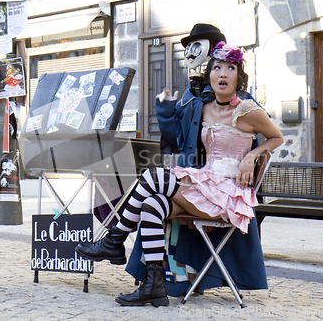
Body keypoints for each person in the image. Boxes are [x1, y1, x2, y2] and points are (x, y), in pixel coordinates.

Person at [76, 41, 284, 307]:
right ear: (208, 75)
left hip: (226, 194)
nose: (223, 73)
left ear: (239, 77)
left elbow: (276, 137)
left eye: (230, 68)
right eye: (217, 67)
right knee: (152, 205)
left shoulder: (247, 110)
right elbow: (176, 134)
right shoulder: (204, 108)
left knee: (152, 177)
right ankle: (153, 287)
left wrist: (251, 156)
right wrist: (166, 104)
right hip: (204, 184)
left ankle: (114, 239)